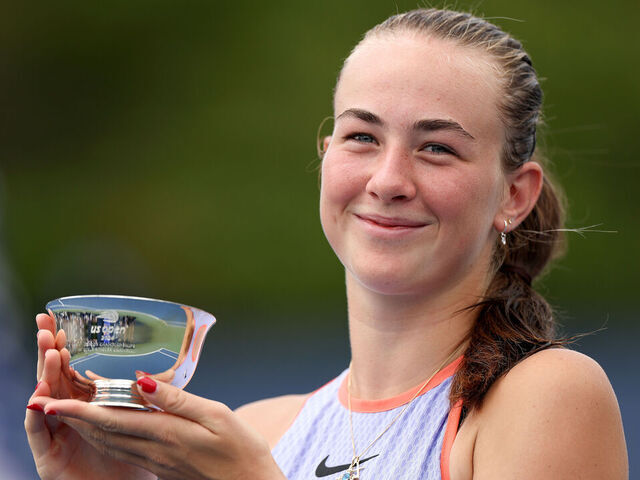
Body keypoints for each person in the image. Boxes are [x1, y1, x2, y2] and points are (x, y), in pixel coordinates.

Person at [25, 8, 628, 480]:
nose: (388, 180)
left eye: (437, 147)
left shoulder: (546, 397)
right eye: (362, 136)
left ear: (513, 197)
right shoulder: (260, 430)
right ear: (326, 155)